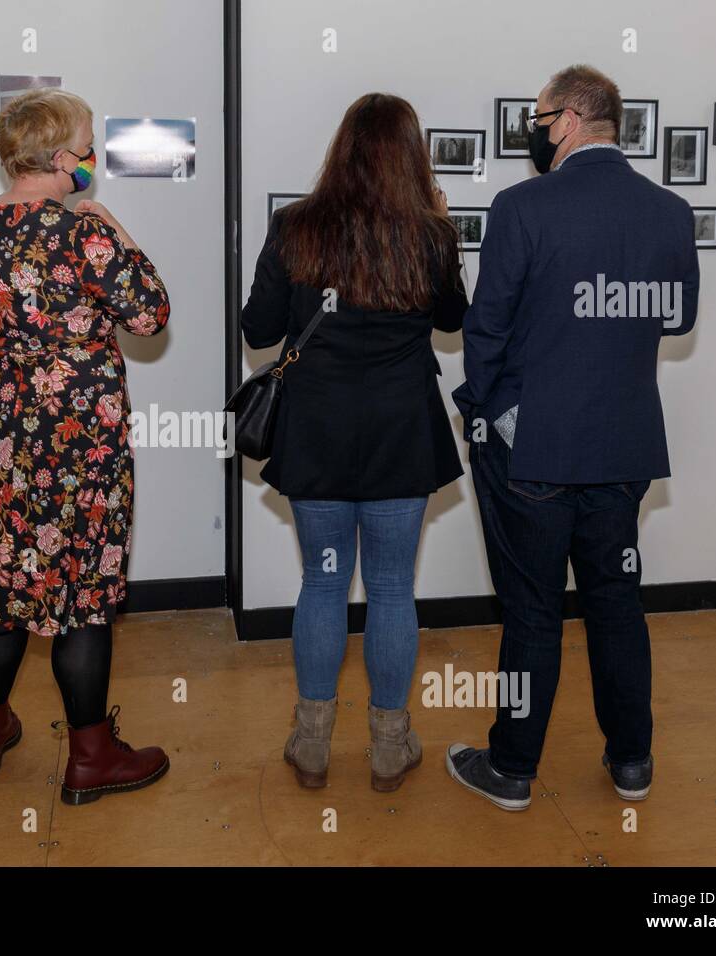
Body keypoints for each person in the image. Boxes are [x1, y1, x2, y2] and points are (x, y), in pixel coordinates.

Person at [447, 65, 699, 811]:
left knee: (532, 611)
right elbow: (677, 317)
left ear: (568, 120)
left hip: (534, 450)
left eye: (539, 117)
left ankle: (513, 770)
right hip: (622, 450)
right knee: (616, 601)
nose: (534, 130)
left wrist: (485, 410)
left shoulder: (523, 206)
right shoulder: (669, 210)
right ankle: (632, 764)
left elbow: (485, 327)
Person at [0, 88, 172, 805]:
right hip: (79, 435)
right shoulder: (81, 233)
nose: (93, 154)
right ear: (64, 155)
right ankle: (92, 757)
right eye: (88, 141)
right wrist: (115, 228)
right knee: (81, 593)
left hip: (4, 427)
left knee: (0, 584)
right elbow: (151, 315)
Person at [240, 93, 468, 792]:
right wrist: (436, 217)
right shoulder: (430, 234)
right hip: (401, 429)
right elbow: (455, 322)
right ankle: (389, 746)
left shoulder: (295, 227)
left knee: (323, 583)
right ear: (412, 153)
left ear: (342, 147)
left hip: (318, 431)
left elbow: (258, 332)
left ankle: (312, 743)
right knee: (394, 587)